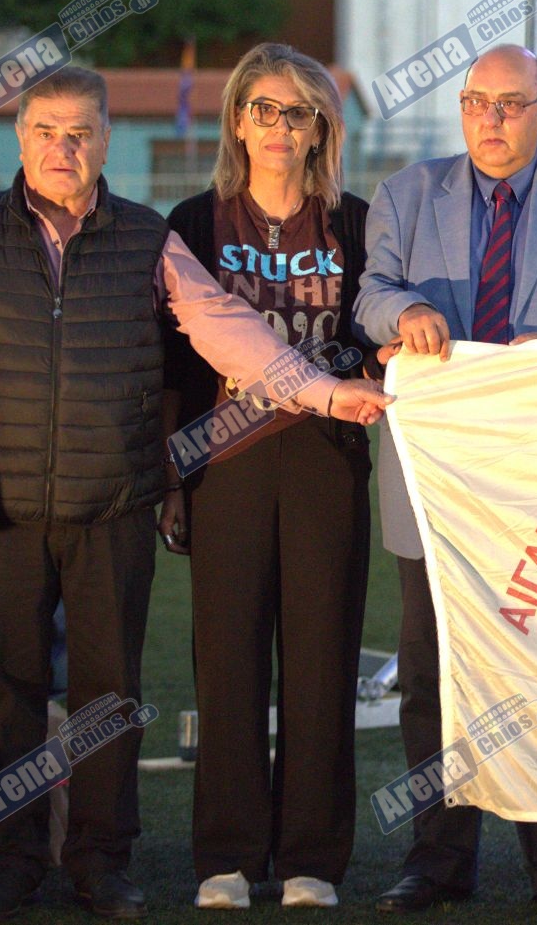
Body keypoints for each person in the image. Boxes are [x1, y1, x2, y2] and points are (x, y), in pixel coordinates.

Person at [0, 67, 391, 922]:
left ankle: (101, 859)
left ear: (104, 141)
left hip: (112, 504)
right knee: (7, 690)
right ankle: (13, 860)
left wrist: (322, 391)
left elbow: (225, 329)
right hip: (3, 504)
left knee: (109, 695)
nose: (63, 147)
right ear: (20, 138)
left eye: (80, 132)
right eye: (46, 131)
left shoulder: (146, 236)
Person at [357, 44, 537, 919]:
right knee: (431, 672)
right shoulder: (406, 193)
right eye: (476, 102)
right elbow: (370, 293)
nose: (490, 119)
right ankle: (437, 858)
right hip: (437, 473)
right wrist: (407, 310)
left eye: (510, 103)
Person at [161, 44, 376, 909]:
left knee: (322, 660)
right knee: (229, 659)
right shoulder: (193, 220)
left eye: (297, 111)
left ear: (321, 126)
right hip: (228, 463)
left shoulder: (355, 222)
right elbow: (172, 360)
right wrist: (172, 477)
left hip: (326, 459)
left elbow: (372, 336)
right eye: (263, 108)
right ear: (238, 121)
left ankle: (310, 857)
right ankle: (228, 853)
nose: (279, 126)